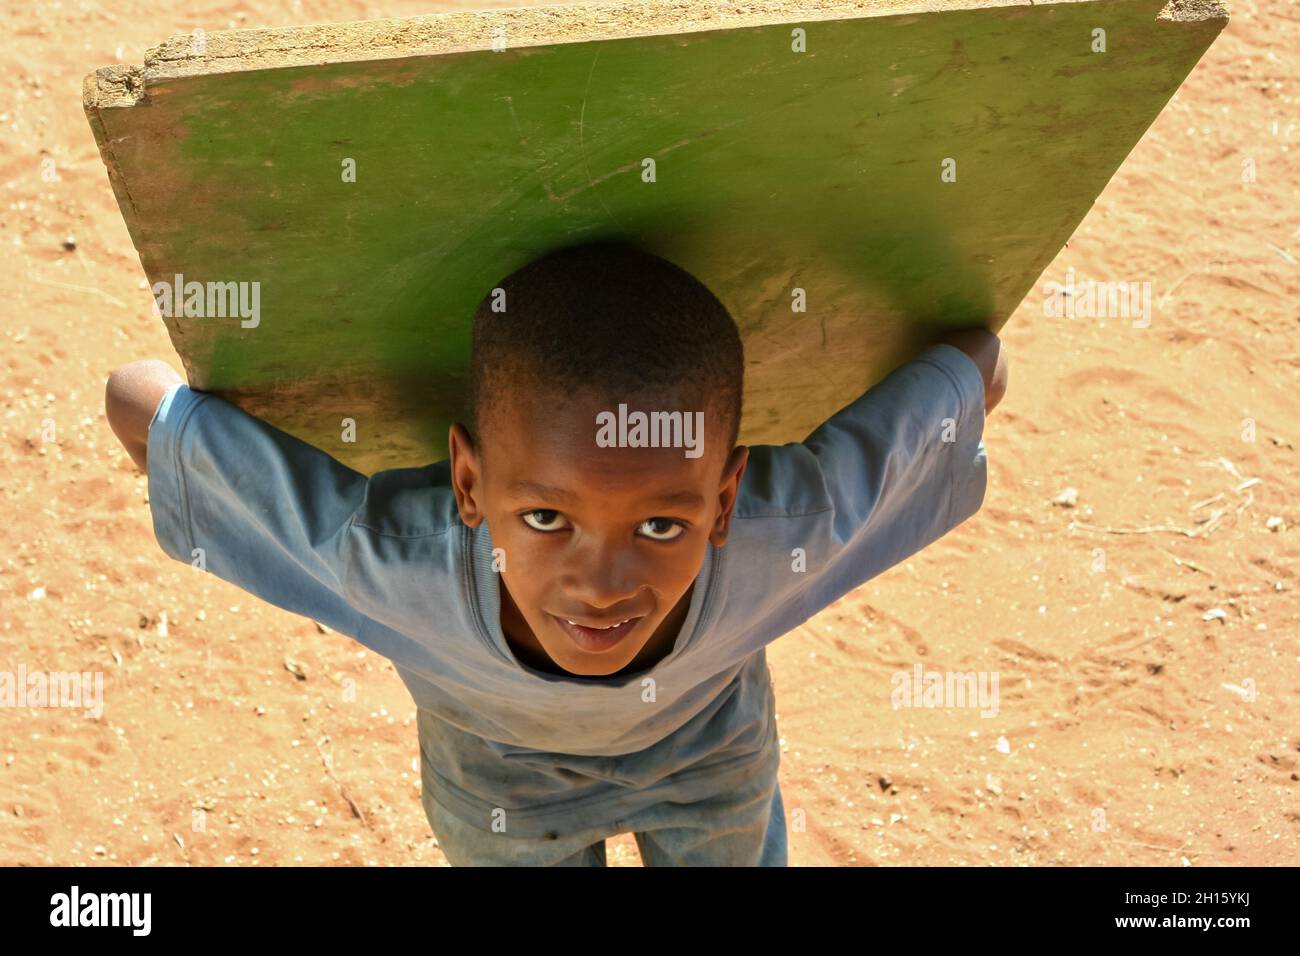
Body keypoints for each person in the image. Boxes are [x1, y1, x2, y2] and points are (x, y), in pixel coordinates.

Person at [105, 240, 1007, 865]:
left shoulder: (787, 535)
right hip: (501, 791)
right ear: (467, 486)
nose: (600, 584)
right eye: (545, 519)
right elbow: (137, 397)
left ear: (724, 502)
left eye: (661, 526)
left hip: (710, 767)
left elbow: (980, 367)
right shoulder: (391, 561)